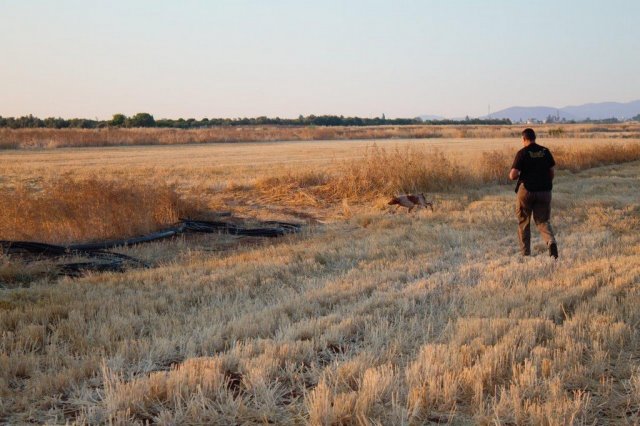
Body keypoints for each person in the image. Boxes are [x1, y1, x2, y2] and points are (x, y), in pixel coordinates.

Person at [509, 128, 558, 258]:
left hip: (527, 191)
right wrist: (546, 182)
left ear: (524, 139)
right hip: (545, 191)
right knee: (543, 220)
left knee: (524, 221)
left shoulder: (523, 153)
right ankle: (551, 242)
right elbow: (552, 171)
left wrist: (518, 174)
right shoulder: (545, 151)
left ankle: (526, 254)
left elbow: (513, 175)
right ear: (535, 138)